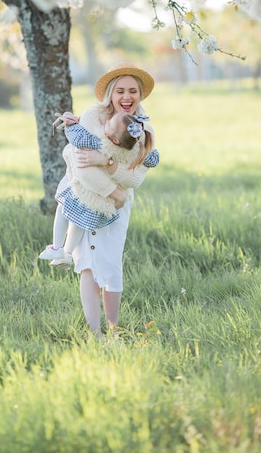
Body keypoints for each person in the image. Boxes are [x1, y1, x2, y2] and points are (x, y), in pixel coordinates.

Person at [50, 63, 159, 338]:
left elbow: (135, 179)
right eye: (120, 90)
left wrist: (105, 162)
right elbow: (80, 164)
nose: (126, 97)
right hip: (85, 197)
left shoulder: (144, 131)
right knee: (86, 264)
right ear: (110, 93)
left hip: (116, 210)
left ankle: (113, 329)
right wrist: (115, 191)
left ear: (140, 94)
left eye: (133, 91)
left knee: (110, 265)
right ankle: (94, 332)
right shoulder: (91, 117)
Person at [38, 110, 156, 268]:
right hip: (102, 201)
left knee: (62, 211)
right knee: (77, 224)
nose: (105, 123)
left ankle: (57, 247)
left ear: (113, 139)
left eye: (108, 123)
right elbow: (153, 158)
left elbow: (79, 139)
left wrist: (71, 124)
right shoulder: (133, 149)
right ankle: (67, 254)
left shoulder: (101, 142)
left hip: (88, 190)